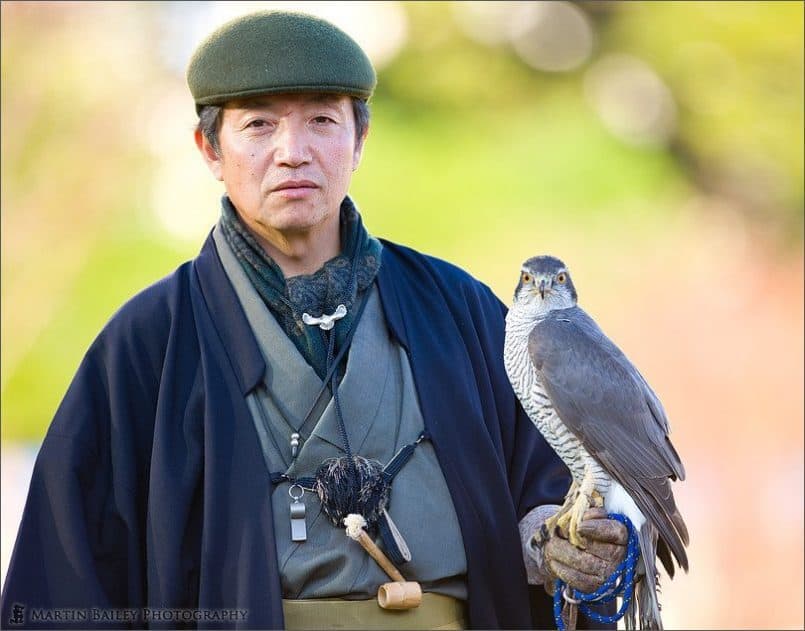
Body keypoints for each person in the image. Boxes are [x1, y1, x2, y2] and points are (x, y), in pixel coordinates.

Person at [1, 11, 626, 630]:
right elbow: (68, 578)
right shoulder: (147, 346)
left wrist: (551, 545)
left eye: (322, 121)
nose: (292, 153)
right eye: (258, 125)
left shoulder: (459, 312)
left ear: (358, 140)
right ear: (209, 149)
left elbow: (547, 486)